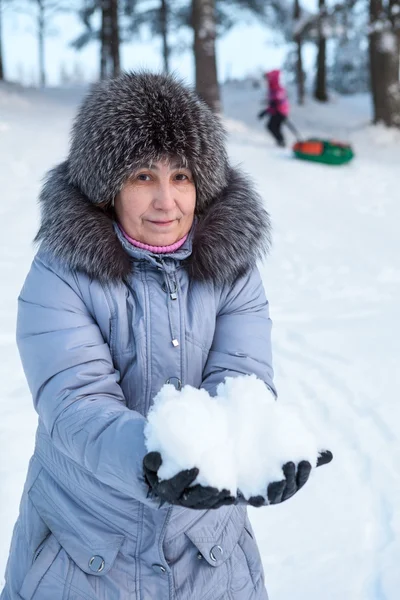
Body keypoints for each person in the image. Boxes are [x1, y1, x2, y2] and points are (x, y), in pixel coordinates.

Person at [1, 72, 331, 600]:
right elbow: (75, 404)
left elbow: (241, 377)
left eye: (181, 177)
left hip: (210, 554)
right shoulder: (60, 273)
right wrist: (155, 460)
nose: (166, 201)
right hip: (85, 552)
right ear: (107, 189)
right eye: (141, 177)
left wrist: (258, 443)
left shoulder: (232, 266)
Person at [258, 69, 290, 147]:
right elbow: (273, 104)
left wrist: (267, 111)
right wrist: (267, 111)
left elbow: (277, 101)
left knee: (271, 126)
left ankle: (281, 142)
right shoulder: (273, 88)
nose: (266, 80)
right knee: (274, 127)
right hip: (278, 112)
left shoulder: (277, 88)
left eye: (268, 78)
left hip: (280, 112)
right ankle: (281, 142)